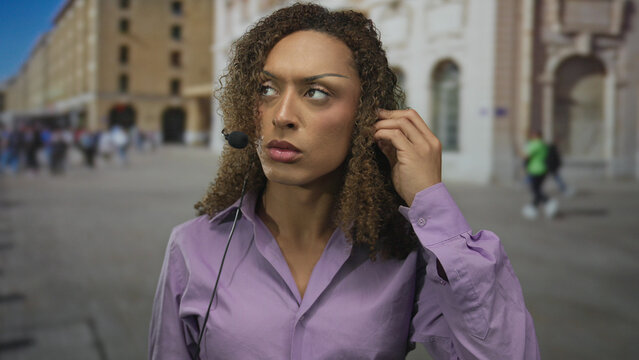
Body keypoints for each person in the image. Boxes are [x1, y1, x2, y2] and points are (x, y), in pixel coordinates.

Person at [149, 4, 539, 359]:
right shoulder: (192, 248)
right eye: (266, 89)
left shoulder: (407, 255)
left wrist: (432, 205)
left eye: (316, 92)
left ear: (368, 116)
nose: (281, 115)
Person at [522, 129, 558, 220]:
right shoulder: (544, 145)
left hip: (535, 169)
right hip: (543, 169)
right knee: (537, 189)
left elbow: (526, 155)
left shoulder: (534, 144)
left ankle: (548, 201)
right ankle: (533, 208)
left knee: (535, 189)